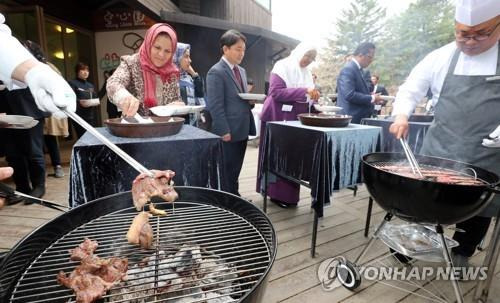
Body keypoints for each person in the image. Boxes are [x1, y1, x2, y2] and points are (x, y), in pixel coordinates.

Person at [389, 0, 500, 269]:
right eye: (463, 33)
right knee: (427, 199)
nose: (470, 41)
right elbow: (411, 89)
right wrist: (402, 115)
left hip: (486, 151)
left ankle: (464, 250)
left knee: (480, 204)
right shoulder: (441, 56)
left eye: (481, 33)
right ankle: (414, 244)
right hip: (442, 146)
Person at [256, 42, 320, 208]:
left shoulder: (306, 73)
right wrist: (304, 91)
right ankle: (274, 194)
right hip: (277, 118)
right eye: (307, 56)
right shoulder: (282, 65)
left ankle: (290, 197)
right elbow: (275, 93)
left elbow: (306, 98)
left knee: (292, 157)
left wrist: (313, 100)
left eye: (312, 58)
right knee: (277, 156)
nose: (308, 60)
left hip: (294, 120)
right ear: (299, 52)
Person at [206, 29, 256, 195]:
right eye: (237, 49)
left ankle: (235, 196)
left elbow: (240, 98)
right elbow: (215, 104)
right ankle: (228, 201)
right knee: (226, 170)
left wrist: (250, 101)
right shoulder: (216, 71)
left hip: (242, 127)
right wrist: (223, 130)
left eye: (243, 49)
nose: (241, 53)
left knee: (236, 168)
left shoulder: (241, 70)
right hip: (228, 130)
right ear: (225, 49)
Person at [107, 23, 183, 117]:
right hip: (135, 128)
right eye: (157, 47)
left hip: (165, 128)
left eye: (167, 51)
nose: (161, 55)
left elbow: (175, 99)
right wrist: (124, 97)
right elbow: (113, 83)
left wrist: (177, 105)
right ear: (148, 43)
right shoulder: (131, 63)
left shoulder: (172, 73)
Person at [336, 42, 384, 124]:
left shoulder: (359, 70)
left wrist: (370, 96)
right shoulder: (349, 69)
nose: (371, 60)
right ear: (361, 55)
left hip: (357, 119)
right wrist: (372, 98)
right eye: (370, 57)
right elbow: (349, 95)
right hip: (350, 120)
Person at [172, 42, 208, 126]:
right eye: (186, 56)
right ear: (176, 57)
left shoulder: (188, 78)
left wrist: (193, 73)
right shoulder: (170, 80)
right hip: (178, 126)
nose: (190, 60)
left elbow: (200, 94)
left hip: (192, 124)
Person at [68, 62, 99, 139]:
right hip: (79, 115)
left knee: (92, 137)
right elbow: (70, 98)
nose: (86, 72)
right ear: (77, 71)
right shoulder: (72, 83)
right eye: (83, 70)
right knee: (83, 138)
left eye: (87, 70)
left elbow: (95, 97)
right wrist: (79, 101)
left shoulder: (90, 85)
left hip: (90, 115)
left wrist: (96, 101)